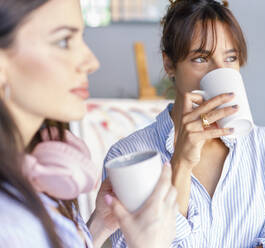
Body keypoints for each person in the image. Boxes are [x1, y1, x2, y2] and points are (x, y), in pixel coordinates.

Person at [104, 0, 265, 247]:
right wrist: (181, 164)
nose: (220, 71)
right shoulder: (128, 157)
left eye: (230, 58)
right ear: (169, 65)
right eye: (201, 59)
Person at [0, 0, 177, 247]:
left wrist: (98, 226)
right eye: (64, 41)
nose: (91, 61)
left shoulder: (26, 181)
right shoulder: (9, 223)